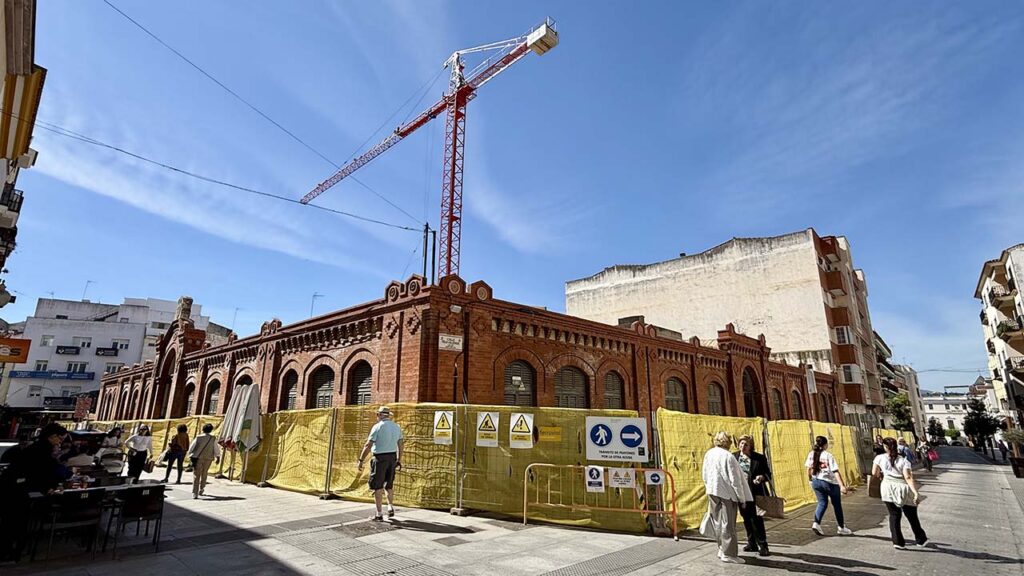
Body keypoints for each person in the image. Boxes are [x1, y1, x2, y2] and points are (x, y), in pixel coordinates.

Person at [0, 423, 68, 562]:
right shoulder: (41, 450)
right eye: (60, 439)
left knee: (12, 523)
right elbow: (41, 472)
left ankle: (10, 551)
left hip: (16, 489)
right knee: (14, 523)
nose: (60, 442)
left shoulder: (37, 448)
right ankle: (8, 552)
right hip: (17, 491)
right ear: (52, 436)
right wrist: (51, 485)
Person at [702, 431, 753, 564]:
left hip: (713, 491)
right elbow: (735, 480)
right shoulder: (728, 456)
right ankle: (729, 553)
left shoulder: (709, 453)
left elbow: (705, 473)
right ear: (728, 442)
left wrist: (708, 486)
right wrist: (742, 498)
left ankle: (721, 548)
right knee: (728, 524)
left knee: (717, 522)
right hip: (727, 494)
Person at [873, 437, 928, 549]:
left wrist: (883, 474)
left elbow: (875, 473)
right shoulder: (903, 460)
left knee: (894, 515)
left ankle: (897, 541)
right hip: (902, 487)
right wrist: (915, 492)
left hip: (887, 487)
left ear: (885, 447)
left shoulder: (879, 458)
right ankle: (920, 539)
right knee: (911, 515)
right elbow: (908, 477)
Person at [357, 406, 405, 521]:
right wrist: (399, 459)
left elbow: (368, 445)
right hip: (392, 457)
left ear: (379, 415)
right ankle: (390, 506)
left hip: (380, 458)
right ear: (388, 415)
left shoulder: (377, 427)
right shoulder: (397, 427)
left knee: (378, 487)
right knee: (389, 484)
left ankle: (379, 514)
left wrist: (361, 460)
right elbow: (401, 444)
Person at [806, 435, 853, 536]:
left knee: (822, 503)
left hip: (816, 481)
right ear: (825, 445)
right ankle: (841, 527)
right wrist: (842, 486)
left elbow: (808, 469)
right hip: (830, 482)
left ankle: (816, 523)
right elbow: (835, 471)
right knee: (836, 505)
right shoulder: (828, 455)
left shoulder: (811, 454)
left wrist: (810, 480)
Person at [735, 434, 772, 557]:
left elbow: (768, 474)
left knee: (757, 519)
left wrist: (761, 477)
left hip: (755, 493)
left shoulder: (758, 458)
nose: (743, 446)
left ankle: (763, 545)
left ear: (751, 446)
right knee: (746, 518)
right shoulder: (734, 457)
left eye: (746, 444)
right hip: (741, 493)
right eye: (741, 443)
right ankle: (752, 543)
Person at [187, 423, 221, 499]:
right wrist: (218, 457)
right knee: (204, 473)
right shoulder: (213, 438)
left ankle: (195, 492)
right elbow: (216, 448)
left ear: (203, 429)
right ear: (211, 430)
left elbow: (191, 448)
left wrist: (191, 454)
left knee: (196, 475)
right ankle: (202, 488)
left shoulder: (198, 437)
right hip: (208, 458)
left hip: (198, 457)